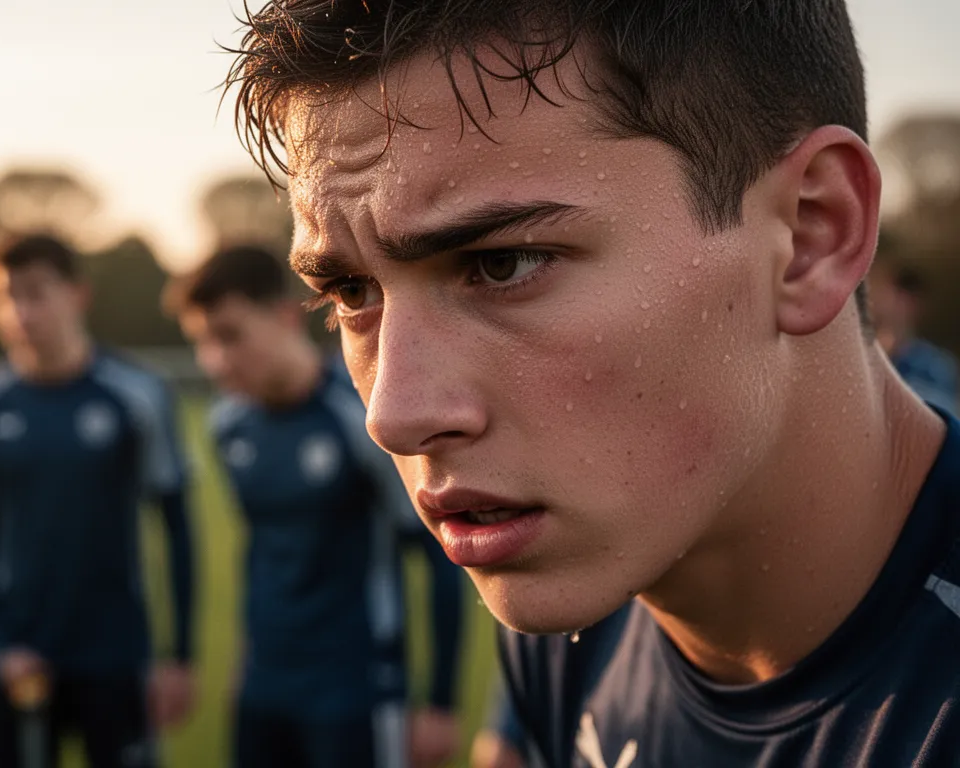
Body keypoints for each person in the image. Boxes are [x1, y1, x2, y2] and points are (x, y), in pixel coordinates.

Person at [223, 0, 960, 765]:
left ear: (811, 233)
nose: (391, 414)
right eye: (352, 293)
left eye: (502, 264)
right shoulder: (593, 592)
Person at [166, 245, 464, 768]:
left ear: (284, 317)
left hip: (354, 688)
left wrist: (440, 701)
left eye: (230, 335)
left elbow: (437, 559)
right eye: (202, 342)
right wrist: (247, 660)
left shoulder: (361, 423)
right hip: (265, 685)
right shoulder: (228, 426)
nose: (214, 360)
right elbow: (265, 550)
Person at [0, 233, 196, 768]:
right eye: (2, 296)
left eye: (34, 293)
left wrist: (179, 656)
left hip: (116, 654)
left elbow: (177, 530)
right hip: (18, 652)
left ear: (77, 294)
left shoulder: (138, 398)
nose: (18, 312)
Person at [867, 258, 958, 415]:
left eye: (906, 299)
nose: (898, 305)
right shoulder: (861, 353)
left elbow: (940, 414)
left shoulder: (935, 365)